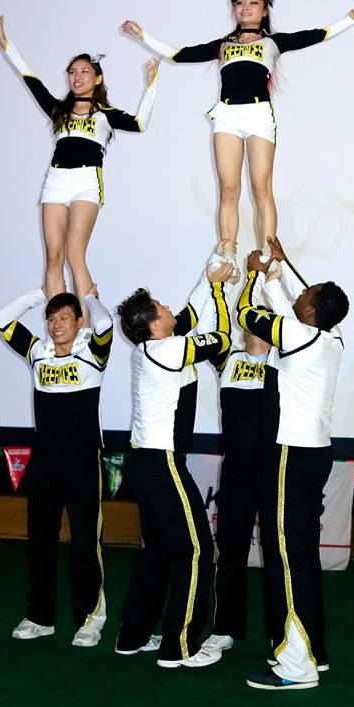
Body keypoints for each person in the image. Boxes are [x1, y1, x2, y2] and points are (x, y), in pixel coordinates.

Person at [120, 0, 354, 267]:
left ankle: (268, 254)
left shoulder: (273, 42)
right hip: (227, 115)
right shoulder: (223, 45)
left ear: (264, 11)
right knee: (228, 189)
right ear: (234, 9)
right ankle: (227, 252)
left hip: (258, 114)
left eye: (253, 3)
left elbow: (318, 34)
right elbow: (179, 55)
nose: (246, 7)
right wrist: (143, 36)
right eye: (240, 3)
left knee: (261, 187)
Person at [236, 237, 349, 690]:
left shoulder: (300, 335)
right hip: (312, 454)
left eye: (307, 292)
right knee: (302, 555)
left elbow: (249, 314)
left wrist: (254, 274)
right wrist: (281, 270)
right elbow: (295, 306)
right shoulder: (330, 338)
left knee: (286, 557)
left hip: (289, 455)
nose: (301, 291)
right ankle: (313, 650)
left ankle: (296, 667)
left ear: (312, 310)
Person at [114, 256, 235, 668]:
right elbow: (220, 337)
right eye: (161, 306)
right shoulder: (169, 350)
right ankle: (178, 647)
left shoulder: (154, 346)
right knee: (197, 550)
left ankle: (132, 637)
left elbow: (188, 316)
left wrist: (210, 275)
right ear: (154, 325)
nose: (169, 307)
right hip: (162, 463)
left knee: (158, 549)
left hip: (146, 462)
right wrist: (218, 289)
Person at [0, 15, 158, 316]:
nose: (77, 76)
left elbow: (140, 124)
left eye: (84, 71)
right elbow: (31, 80)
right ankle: (61, 325)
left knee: (74, 253)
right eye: (72, 72)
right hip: (56, 182)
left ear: (97, 79)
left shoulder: (105, 113)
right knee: (53, 257)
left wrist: (151, 85)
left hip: (86, 182)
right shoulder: (58, 110)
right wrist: (7, 46)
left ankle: (85, 326)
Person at [0, 284, 113, 647]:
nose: (56, 325)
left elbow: (106, 325)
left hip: (83, 462)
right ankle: (40, 617)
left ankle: (89, 619)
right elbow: (2, 320)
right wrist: (38, 296)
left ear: (78, 324)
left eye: (64, 318)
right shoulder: (38, 355)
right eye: (51, 318)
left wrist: (89, 298)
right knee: (40, 542)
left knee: (85, 544)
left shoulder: (92, 356)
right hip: (45, 462)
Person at [200, 326, 272, 658]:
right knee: (230, 550)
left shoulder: (283, 360)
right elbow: (214, 324)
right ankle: (225, 628)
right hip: (236, 469)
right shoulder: (228, 360)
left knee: (277, 553)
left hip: (273, 468)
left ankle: (280, 632)